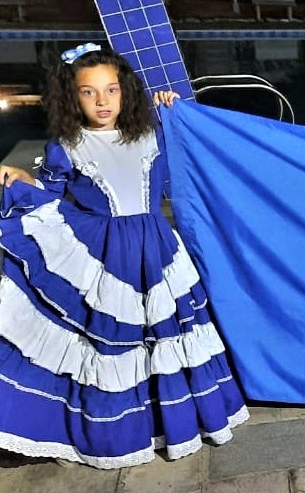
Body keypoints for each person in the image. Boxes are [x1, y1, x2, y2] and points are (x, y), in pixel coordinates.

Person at [0, 43, 249, 468]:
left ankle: (171, 418)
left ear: (125, 91)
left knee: (165, 336)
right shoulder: (67, 145)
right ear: (71, 95)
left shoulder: (153, 131)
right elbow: (56, 199)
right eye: (89, 92)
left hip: (157, 250)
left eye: (111, 90)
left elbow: (197, 159)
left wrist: (175, 110)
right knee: (107, 343)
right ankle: (106, 430)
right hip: (104, 257)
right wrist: (24, 178)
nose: (102, 101)